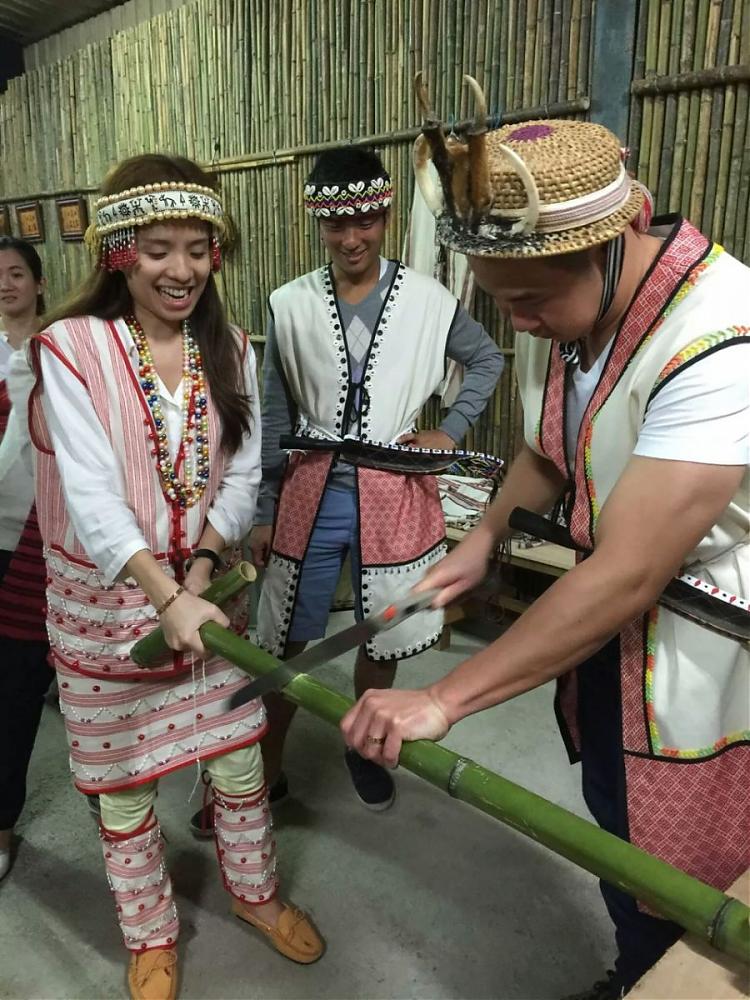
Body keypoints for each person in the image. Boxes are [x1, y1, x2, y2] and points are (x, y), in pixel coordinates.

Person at [341, 111, 749, 999]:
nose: (518, 325)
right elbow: (549, 450)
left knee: (694, 870)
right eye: (498, 300)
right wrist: (485, 538)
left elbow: (631, 568)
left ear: (619, 235)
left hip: (709, 658)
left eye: (530, 300)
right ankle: (636, 970)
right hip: (612, 634)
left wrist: (445, 698)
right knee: (617, 824)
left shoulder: (718, 336)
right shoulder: (578, 315)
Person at [29, 154, 324, 1000]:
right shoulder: (71, 347)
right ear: (120, 250)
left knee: (236, 765)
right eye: (159, 248)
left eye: (200, 247)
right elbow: (89, 491)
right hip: (106, 608)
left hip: (203, 595)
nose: (183, 269)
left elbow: (239, 473)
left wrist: (198, 575)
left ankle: (256, 895)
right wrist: (167, 597)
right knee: (124, 794)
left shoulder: (228, 345)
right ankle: (150, 935)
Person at [210, 144, 503, 822]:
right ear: (319, 225)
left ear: (385, 215)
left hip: (395, 492)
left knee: (382, 634)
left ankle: (366, 748)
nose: (352, 238)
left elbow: (484, 359)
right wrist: (263, 507)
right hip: (311, 491)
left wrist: (450, 430)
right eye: (337, 225)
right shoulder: (291, 303)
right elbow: (277, 410)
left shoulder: (428, 301)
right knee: (282, 639)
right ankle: (264, 774)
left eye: (365, 221)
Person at [0, 237, 53, 881]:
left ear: (40, 283)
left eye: (16, 273)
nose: (6, 284)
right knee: (8, 688)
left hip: (48, 535)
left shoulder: (62, 345)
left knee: (22, 681)